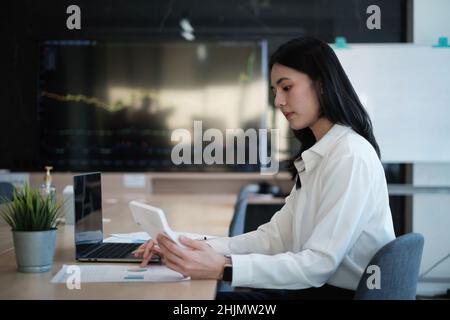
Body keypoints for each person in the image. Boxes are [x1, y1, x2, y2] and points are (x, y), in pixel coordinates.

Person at [133, 36, 396, 300]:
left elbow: (319, 264)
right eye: (275, 92)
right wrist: (184, 245)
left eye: (287, 87)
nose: (278, 101)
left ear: (322, 85)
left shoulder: (350, 156)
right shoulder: (321, 155)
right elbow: (273, 238)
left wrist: (224, 267)